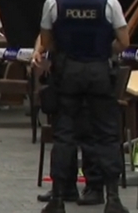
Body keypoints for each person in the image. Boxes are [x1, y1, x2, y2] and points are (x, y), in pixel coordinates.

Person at [35, 0, 129, 213]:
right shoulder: (109, 2)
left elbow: (46, 41)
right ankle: (112, 198)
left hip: (68, 74)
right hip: (99, 72)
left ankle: (58, 199)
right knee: (107, 135)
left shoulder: (54, 1)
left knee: (64, 135)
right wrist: (103, 51)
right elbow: (124, 41)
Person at [33, 32, 103, 205]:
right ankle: (65, 187)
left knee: (87, 133)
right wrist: (39, 51)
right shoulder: (54, 4)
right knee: (64, 135)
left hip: (85, 75)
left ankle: (93, 187)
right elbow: (45, 32)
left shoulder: (105, 4)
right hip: (68, 75)